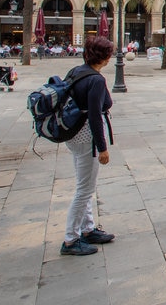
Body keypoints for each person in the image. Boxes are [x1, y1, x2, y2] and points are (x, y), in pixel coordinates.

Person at [60, 35, 117, 256]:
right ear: (104, 56)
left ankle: (88, 229)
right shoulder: (96, 80)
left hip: (74, 136)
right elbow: (95, 115)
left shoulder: (76, 71)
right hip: (87, 138)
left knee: (83, 184)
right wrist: (102, 147)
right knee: (84, 190)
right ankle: (70, 239)